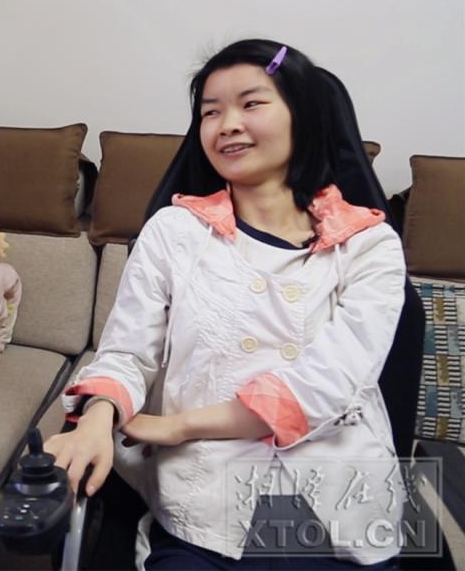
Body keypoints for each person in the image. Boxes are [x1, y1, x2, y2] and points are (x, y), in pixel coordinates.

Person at [45, 40, 405, 568]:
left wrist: (178, 426)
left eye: (251, 103)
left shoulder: (368, 244)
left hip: (337, 503)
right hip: (204, 503)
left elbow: (328, 382)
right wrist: (98, 418)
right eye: (210, 112)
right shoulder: (173, 231)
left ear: (303, 117)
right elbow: (126, 354)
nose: (227, 124)